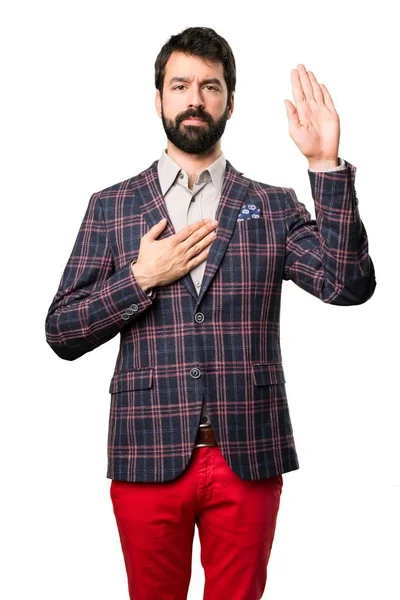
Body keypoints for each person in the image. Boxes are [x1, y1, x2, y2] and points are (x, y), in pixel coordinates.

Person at [45, 26, 376, 600]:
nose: (195, 98)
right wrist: (140, 278)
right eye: (180, 85)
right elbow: (61, 330)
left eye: (210, 86)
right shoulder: (113, 206)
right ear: (159, 99)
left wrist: (325, 165)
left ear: (229, 102)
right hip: (146, 449)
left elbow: (347, 284)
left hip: (247, 451)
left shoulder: (272, 206)